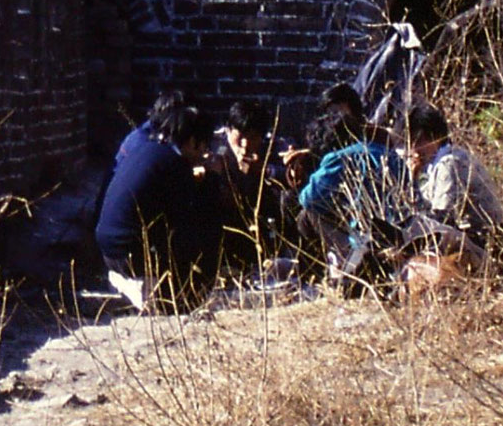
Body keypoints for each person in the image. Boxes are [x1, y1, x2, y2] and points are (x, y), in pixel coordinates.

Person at [94, 102, 222, 309]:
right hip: (131, 253)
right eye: (203, 146)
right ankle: (184, 296)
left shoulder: (148, 150)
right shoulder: (174, 164)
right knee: (205, 228)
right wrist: (212, 180)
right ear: (192, 141)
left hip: (110, 248)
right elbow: (188, 217)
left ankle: (138, 284)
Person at [295, 103, 414, 286]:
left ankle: (320, 276)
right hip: (405, 232)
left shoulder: (339, 157)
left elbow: (308, 199)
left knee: (307, 215)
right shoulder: (388, 153)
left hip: (367, 238)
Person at [404, 103, 503, 272]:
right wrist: (413, 179)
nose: (414, 149)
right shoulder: (439, 164)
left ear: (435, 137)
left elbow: (440, 219)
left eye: (419, 141)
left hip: (483, 244)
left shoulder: (450, 163)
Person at [207, 101, 297, 278]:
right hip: (224, 221)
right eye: (240, 136)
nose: (245, 144)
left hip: (261, 219)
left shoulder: (274, 145)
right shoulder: (212, 145)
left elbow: (291, 176)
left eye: (253, 137)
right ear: (228, 130)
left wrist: (265, 170)